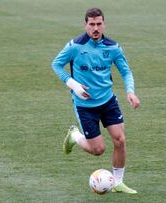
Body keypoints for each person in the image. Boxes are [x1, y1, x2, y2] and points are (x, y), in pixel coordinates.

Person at [51, 7, 140, 194]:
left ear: (104, 24)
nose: (95, 28)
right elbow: (56, 64)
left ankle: (117, 183)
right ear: (85, 25)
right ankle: (74, 136)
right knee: (98, 149)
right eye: (91, 24)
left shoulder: (112, 47)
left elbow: (125, 71)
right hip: (85, 106)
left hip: (108, 101)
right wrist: (73, 84)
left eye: (99, 24)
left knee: (120, 140)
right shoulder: (75, 46)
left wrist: (130, 92)